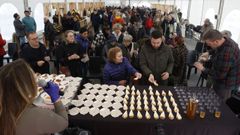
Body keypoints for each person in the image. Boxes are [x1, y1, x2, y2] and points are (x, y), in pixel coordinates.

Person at [0, 59, 68, 135]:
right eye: (33, 76)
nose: (36, 78)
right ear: (26, 85)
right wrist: (56, 99)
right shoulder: (37, 116)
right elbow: (63, 123)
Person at [194, 29, 240, 100]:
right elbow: (218, 48)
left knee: (219, 102)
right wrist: (209, 52)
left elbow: (219, 75)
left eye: (209, 44)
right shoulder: (224, 39)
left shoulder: (227, 53)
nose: (208, 45)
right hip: (223, 76)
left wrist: (202, 68)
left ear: (216, 41)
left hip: (226, 83)